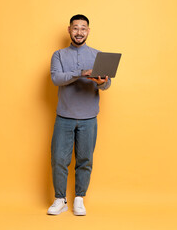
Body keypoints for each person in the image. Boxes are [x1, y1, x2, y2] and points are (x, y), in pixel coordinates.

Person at [47, 14, 111, 216]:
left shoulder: (98, 55)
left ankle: (79, 199)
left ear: (88, 31)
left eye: (83, 28)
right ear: (69, 30)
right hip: (64, 116)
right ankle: (60, 199)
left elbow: (107, 84)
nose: (79, 32)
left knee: (85, 159)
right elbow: (57, 78)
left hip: (89, 117)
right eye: (76, 28)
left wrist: (101, 82)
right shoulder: (58, 55)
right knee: (59, 159)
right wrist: (81, 73)